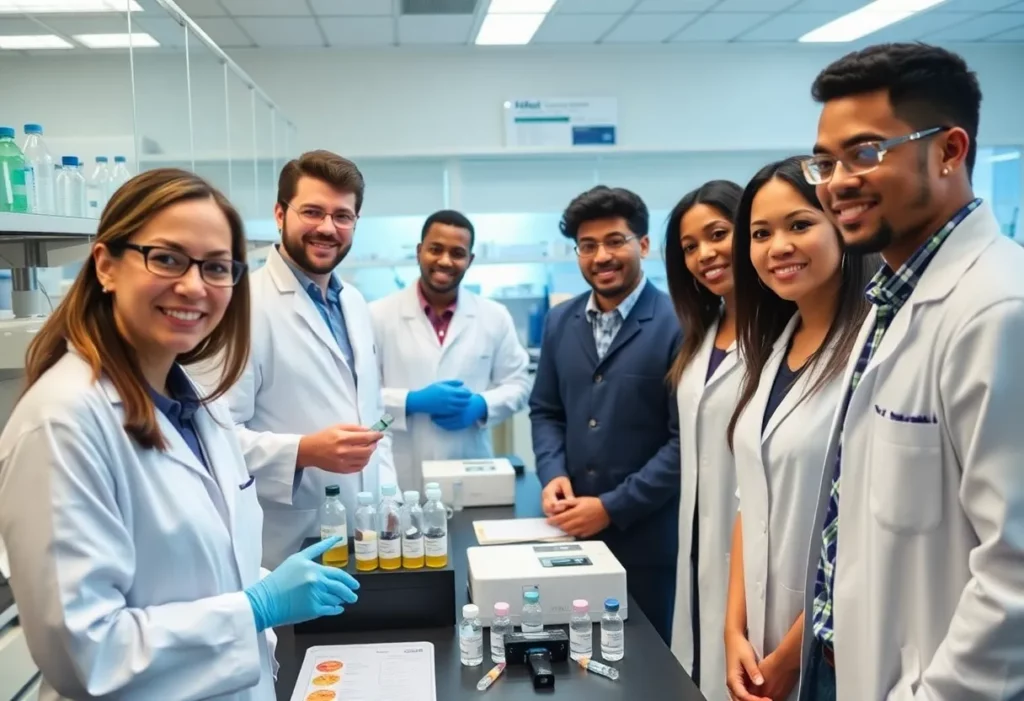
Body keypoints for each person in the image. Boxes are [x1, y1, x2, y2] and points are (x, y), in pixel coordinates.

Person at [0, 169, 359, 700]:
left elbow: (204, 561)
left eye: (216, 267)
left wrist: (266, 580)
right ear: (105, 265)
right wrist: (256, 606)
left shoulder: (193, 407)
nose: (194, 286)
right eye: (167, 258)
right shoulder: (63, 423)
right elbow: (88, 654)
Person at [800, 43, 1024, 701]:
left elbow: (1015, 567)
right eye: (825, 162)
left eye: (866, 152)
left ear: (950, 151)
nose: (837, 181)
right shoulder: (894, 295)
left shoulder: (999, 309)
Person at [722, 157, 874, 701]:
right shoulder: (772, 349)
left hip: (833, 645)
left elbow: (863, 527)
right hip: (761, 637)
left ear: (841, 227)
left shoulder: (874, 350)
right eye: (760, 234)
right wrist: (732, 628)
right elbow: (751, 500)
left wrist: (796, 648)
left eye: (799, 224)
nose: (777, 246)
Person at [218, 150, 397, 568]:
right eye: (312, 212)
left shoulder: (352, 301)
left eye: (342, 216)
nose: (328, 228)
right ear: (280, 214)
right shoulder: (239, 306)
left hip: (365, 537)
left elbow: (372, 417)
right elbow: (213, 438)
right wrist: (303, 451)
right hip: (285, 542)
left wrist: (389, 502)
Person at [530, 185, 681, 644]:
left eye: (615, 241)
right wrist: (552, 472)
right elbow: (546, 410)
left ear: (644, 244)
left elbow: (684, 442)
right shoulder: (561, 320)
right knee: (576, 661)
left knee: (648, 667)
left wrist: (612, 508)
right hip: (570, 534)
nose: (601, 256)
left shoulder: (679, 322)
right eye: (588, 246)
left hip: (649, 540)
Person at [370, 209, 531, 493]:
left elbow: (519, 385)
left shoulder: (494, 316)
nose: (445, 261)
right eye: (435, 249)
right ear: (420, 251)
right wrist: (410, 402)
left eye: (457, 253)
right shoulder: (377, 315)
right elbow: (359, 396)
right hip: (398, 472)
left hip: (470, 470)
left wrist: (481, 405)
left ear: (470, 260)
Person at [664, 180, 744, 700]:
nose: (704, 255)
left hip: (748, 561)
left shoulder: (783, 336)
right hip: (694, 549)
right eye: (690, 247)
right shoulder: (701, 332)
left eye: (718, 234)